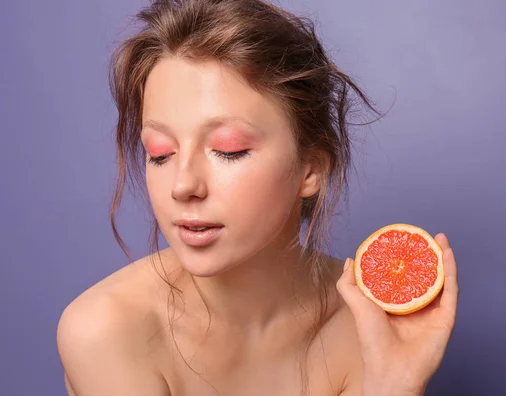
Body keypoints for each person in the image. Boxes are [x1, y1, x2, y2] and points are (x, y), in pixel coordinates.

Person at [56, 1, 459, 395]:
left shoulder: (368, 328)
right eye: (160, 153)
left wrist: (396, 387)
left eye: (228, 150)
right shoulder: (106, 330)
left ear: (311, 170)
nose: (182, 186)